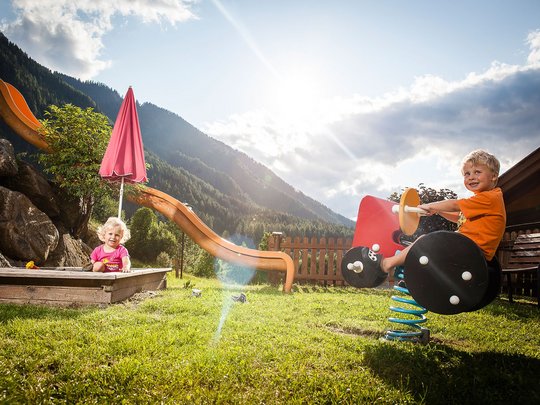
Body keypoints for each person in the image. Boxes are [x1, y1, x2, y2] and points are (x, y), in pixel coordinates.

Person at [362, 149, 506, 276]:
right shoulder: (483, 199)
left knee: (424, 242)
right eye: (467, 174)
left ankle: (388, 264)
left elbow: (456, 205)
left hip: (470, 249)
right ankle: (409, 269)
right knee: (429, 248)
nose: (471, 177)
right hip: (471, 249)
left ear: (493, 176)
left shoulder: (490, 198)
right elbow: (459, 217)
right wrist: (439, 212)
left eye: (477, 172)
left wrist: (432, 206)